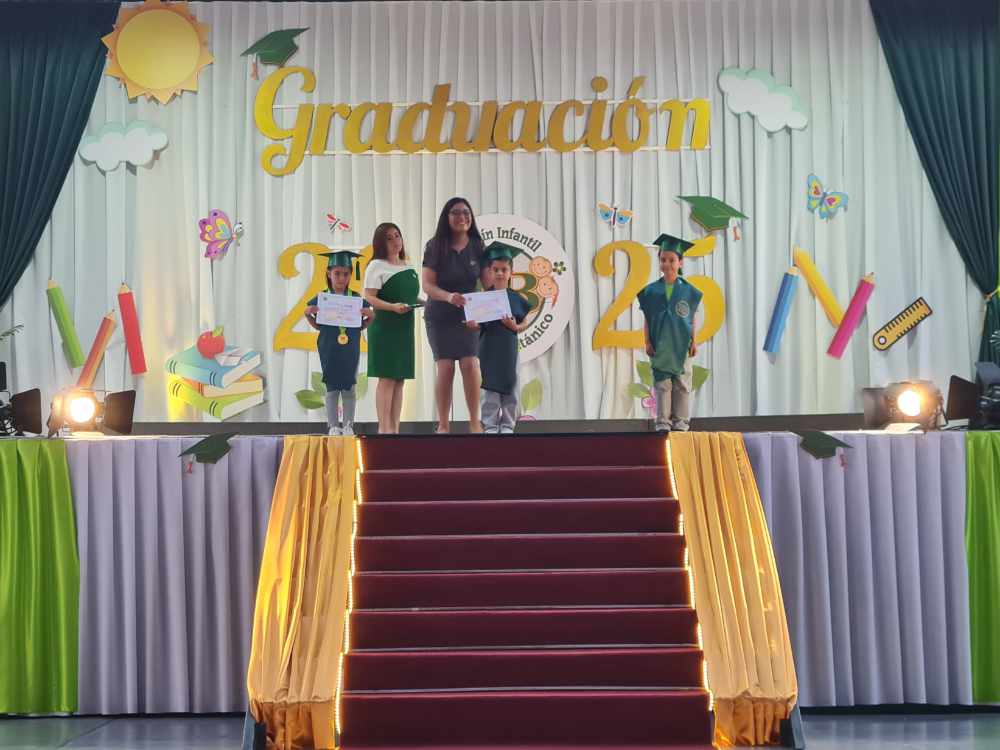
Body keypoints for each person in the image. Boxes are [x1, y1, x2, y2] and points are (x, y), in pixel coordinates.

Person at [421, 197, 485, 433]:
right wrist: (448, 297)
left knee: (470, 364)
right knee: (446, 367)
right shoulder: (434, 246)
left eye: (466, 212)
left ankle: (475, 422)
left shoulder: (478, 245)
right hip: (440, 315)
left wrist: (484, 314)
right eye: (456, 213)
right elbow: (427, 285)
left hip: (469, 315)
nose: (462, 217)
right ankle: (443, 424)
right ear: (446, 218)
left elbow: (488, 284)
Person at [637, 234, 702, 432]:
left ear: (680, 262)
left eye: (672, 260)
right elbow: (648, 318)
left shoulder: (689, 291)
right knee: (662, 383)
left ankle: (681, 422)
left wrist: (694, 341)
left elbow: (691, 319)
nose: (667, 264)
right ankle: (663, 422)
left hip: (681, 344)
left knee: (682, 382)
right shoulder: (651, 291)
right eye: (663, 259)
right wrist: (647, 341)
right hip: (661, 344)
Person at [304, 251, 373, 436]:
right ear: (329, 273)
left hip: (350, 348)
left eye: (345, 274)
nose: (341, 278)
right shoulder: (323, 298)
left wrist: (370, 317)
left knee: (349, 387)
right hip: (329, 348)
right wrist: (308, 314)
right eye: (337, 273)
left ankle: (348, 425)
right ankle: (333, 426)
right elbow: (317, 324)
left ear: (350, 275)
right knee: (332, 388)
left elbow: (362, 323)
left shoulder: (356, 298)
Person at [466, 242, 531, 434]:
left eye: (504, 269)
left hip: (509, 349)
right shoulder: (483, 298)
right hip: (488, 349)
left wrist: (515, 327)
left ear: (511, 272)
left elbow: (525, 321)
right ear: (490, 272)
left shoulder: (516, 298)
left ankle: (508, 424)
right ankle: (491, 424)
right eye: (496, 270)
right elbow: (477, 325)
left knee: (512, 385)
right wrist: (472, 325)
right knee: (489, 387)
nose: (500, 273)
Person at [363, 223, 421, 434]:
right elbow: (369, 297)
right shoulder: (376, 266)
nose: (396, 241)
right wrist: (392, 307)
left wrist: (424, 302)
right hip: (385, 327)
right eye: (389, 238)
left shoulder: (407, 265)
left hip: (404, 326)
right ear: (380, 243)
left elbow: (409, 296)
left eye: (397, 235)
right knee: (387, 378)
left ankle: (395, 429)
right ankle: (384, 429)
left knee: (400, 379)